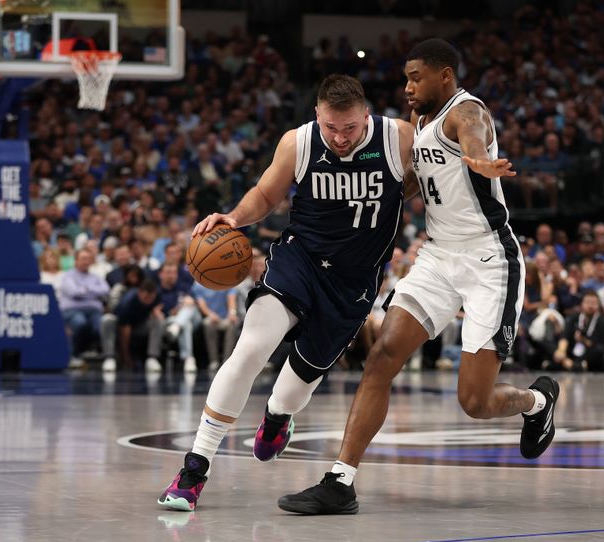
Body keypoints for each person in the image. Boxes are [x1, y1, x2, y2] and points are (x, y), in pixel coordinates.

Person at [279, 39, 557, 516]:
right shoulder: (420, 123)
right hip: (438, 257)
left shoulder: (465, 112)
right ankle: (340, 481)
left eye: (416, 77)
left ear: (444, 76)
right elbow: (410, 182)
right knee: (383, 355)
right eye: (406, 78)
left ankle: (537, 401)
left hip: (488, 260)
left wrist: (478, 159)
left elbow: (471, 135)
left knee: (473, 400)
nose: (407, 87)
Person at [157, 74, 414, 511]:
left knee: (296, 386)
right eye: (331, 127)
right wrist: (234, 218)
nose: (339, 137)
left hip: (354, 281)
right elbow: (264, 194)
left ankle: (278, 417)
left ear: (365, 116)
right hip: (299, 260)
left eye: (349, 128)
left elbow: (429, 180)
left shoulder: (398, 138)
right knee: (251, 349)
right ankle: (194, 470)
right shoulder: (299, 142)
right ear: (318, 115)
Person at [58, 248, 110, 367]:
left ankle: (96, 353)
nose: (86, 262)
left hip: (94, 311)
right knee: (80, 323)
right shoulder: (68, 276)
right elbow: (74, 292)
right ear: (76, 261)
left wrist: (85, 289)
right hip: (72, 311)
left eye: (88, 259)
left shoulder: (95, 277)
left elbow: (106, 290)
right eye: (83, 259)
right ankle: (74, 354)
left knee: (101, 326)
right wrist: (93, 292)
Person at [551, 290, 604, 371]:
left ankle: (570, 365)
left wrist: (583, 340)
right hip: (572, 351)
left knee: (599, 350)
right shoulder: (573, 318)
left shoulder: (602, 322)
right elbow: (565, 336)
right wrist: (561, 351)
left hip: (588, 354)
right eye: (588, 302)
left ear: (598, 305)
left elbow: (600, 344)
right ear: (582, 304)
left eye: (593, 303)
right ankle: (570, 364)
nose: (590, 306)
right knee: (551, 344)